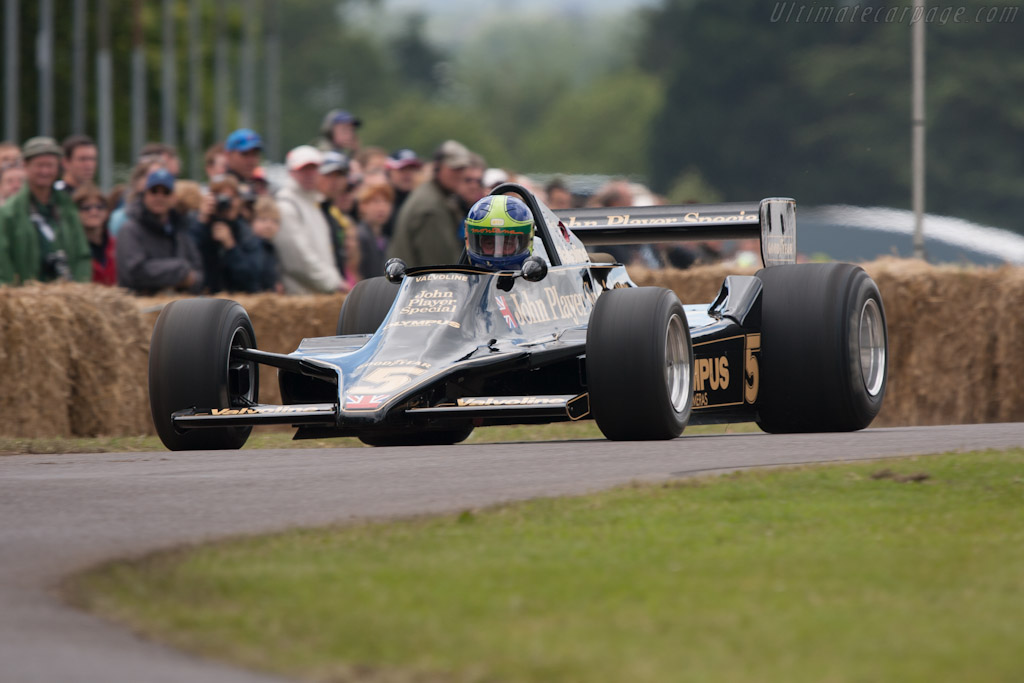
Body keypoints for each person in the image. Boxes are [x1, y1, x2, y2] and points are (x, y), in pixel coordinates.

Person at [0, 137, 91, 285]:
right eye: (39, 165)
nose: (45, 171)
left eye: (50, 165)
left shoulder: (67, 207)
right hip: (26, 297)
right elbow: (2, 261)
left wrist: (81, 288)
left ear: (58, 168)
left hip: (66, 297)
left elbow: (82, 254)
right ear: (25, 166)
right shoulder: (9, 213)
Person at [116, 168, 203, 294]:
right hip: (141, 309)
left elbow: (197, 272)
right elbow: (135, 272)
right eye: (154, 191)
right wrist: (180, 271)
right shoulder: (130, 229)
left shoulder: (179, 229)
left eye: (166, 192)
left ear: (174, 197)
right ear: (145, 195)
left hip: (178, 307)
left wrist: (191, 280)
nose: (159, 197)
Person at [273, 145, 347, 294]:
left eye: (313, 169)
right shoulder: (286, 206)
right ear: (291, 173)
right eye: (303, 169)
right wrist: (334, 282)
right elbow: (297, 259)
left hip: (319, 297)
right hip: (300, 297)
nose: (309, 174)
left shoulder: (314, 203)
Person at [387, 139, 471, 266]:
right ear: (438, 167)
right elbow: (438, 269)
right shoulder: (431, 207)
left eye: (462, 168)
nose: (460, 174)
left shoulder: (436, 197)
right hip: (422, 284)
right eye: (454, 168)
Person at [190, 175, 267, 293]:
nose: (226, 203)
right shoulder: (198, 225)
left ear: (240, 200)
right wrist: (202, 222)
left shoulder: (247, 233)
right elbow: (190, 260)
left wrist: (231, 246)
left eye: (231, 198)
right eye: (221, 198)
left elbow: (252, 280)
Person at [318, 152, 361, 288]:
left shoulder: (336, 215)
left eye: (340, 175)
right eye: (329, 175)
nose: (335, 181)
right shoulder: (313, 208)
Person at [464, 195, 535, 271]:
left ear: (525, 243)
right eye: (489, 244)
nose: (497, 252)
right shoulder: (460, 279)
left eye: (507, 244)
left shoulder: (541, 275)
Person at [72, 184, 117, 285]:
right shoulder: (71, 247)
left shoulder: (117, 245)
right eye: (86, 208)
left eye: (100, 207)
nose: (94, 212)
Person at [354, 181, 394, 279]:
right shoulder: (360, 236)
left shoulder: (384, 237)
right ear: (362, 206)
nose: (382, 208)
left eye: (386, 202)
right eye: (376, 202)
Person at [382, 148, 422, 239]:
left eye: (412, 169)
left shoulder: (423, 202)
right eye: (402, 169)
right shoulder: (382, 203)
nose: (408, 174)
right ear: (389, 173)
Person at [251, 196, 282, 292]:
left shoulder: (270, 247)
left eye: (274, 221)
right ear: (252, 221)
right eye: (263, 219)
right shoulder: (251, 246)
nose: (269, 225)